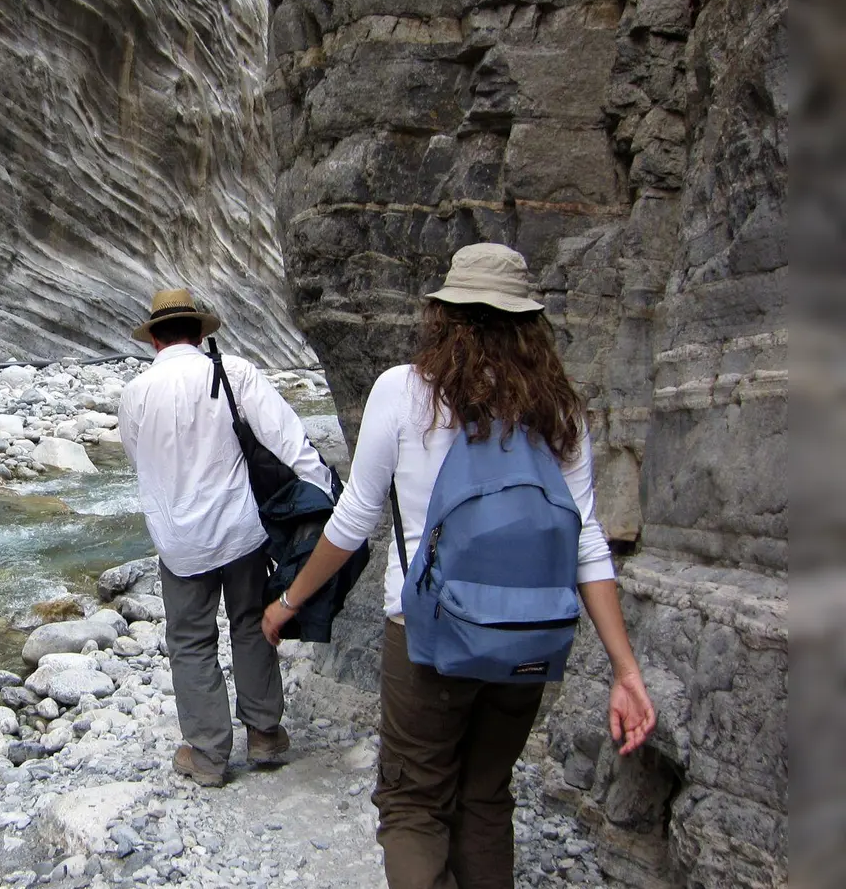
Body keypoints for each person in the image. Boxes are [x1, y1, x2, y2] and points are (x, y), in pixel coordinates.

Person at [261, 243, 656, 888]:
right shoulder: (561, 411)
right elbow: (586, 542)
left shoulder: (405, 391)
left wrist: (290, 600)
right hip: (529, 637)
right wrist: (625, 668)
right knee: (486, 797)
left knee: (414, 804)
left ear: (443, 315)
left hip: (426, 636)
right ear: (529, 323)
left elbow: (356, 518)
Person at [119, 287, 336, 787]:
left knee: (191, 641)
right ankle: (264, 734)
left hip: (179, 542)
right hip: (241, 530)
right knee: (250, 622)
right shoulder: (232, 373)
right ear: (200, 333)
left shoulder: (135, 395)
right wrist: (327, 492)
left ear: (154, 339)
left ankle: (209, 755)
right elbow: (288, 438)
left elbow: (140, 461)